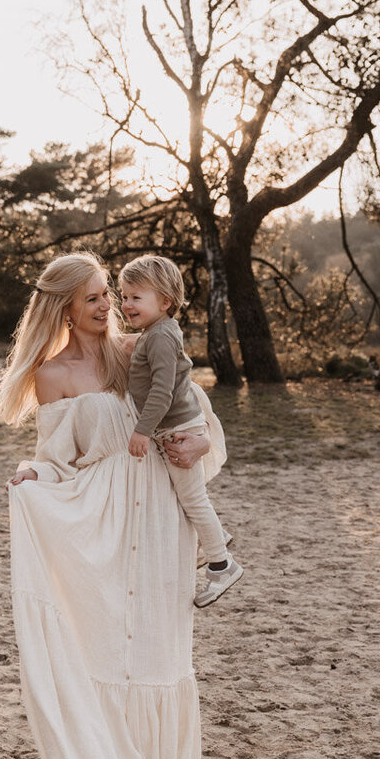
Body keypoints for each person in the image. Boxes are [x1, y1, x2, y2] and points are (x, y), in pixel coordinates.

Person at [0, 251, 227, 759]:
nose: (106, 305)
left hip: (162, 519)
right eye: (92, 297)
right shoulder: (52, 374)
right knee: (105, 649)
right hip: (104, 521)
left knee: (158, 647)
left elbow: (199, 420)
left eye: (107, 293)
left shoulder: (142, 347)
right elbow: (58, 456)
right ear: (64, 305)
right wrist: (32, 474)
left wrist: (202, 439)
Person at [119, 254, 242, 608]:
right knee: (187, 495)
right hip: (174, 425)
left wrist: (143, 430)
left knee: (192, 498)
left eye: (136, 297)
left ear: (165, 301)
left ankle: (221, 565)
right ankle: (214, 539)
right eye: (124, 296)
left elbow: (162, 391)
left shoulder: (158, 338)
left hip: (175, 428)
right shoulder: (157, 331)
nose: (126, 304)